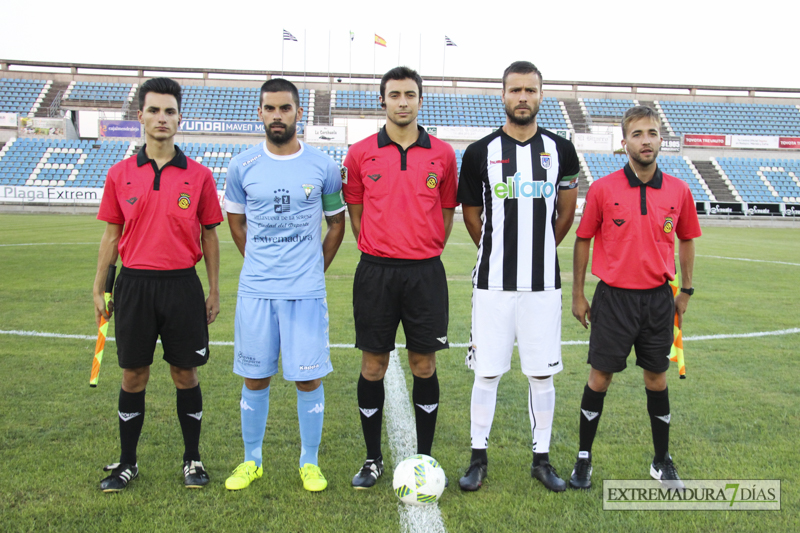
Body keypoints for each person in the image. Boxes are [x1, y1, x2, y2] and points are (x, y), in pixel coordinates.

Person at [94, 77, 223, 492]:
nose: (161, 118)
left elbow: (210, 235)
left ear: (179, 118)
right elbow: (111, 235)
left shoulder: (200, 176)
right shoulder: (120, 173)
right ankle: (127, 463)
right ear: (141, 117)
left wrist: (214, 288)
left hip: (182, 285)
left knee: (186, 374)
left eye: (169, 111)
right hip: (134, 285)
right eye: (154, 110)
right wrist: (99, 287)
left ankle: (192, 460)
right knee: (134, 375)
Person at [456, 61, 579, 493]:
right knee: (486, 373)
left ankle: (541, 460)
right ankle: (477, 458)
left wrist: (541, 247)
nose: (522, 97)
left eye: (530, 89)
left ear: (541, 95)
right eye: (515, 90)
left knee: (541, 375)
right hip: (491, 285)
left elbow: (566, 212)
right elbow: (472, 217)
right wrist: (495, 250)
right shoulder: (478, 153)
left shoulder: (561, 150)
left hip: (543, 285)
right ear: (503, 95)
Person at [223, 78, 346, 492]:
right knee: (254, 378)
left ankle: (308, 462)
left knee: (307, 378)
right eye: (270, 108)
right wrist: (258, 261)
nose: (278, 115)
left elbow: (336, 224)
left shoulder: (324, 167)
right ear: (260, 113)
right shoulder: (241, 166)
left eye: (285, 108)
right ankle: (251, 460)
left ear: (298, 113)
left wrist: (314, 268)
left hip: (305, 292)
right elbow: (236, 223)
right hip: (257, 291)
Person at [569, 105, 701, 490]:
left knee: (657, 380)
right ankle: (583, 459)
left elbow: (687, 240)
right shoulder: (603, 188)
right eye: (638, 134)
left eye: (653, 133)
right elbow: (582, 240)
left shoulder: (679, 190)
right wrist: (578, 294)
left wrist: (686, 291)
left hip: (658, 300)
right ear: (624, 142)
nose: (646, 140)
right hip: (613, 299)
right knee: (599, 377)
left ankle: (661, 461)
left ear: (661, 139)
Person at [342, 66, 458, 489]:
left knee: (423, 363)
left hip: (425, 273)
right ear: (383, 100)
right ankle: (372, 458)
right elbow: (356, 212)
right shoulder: (359, 153)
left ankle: (424, 458)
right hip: (376, 272)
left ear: (420, 100)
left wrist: (420, 247)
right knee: (373, 364)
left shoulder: (443, 154)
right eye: (395, 95)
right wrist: (382, 245)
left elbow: (446, 214)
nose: (403, 101)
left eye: (410, 94)